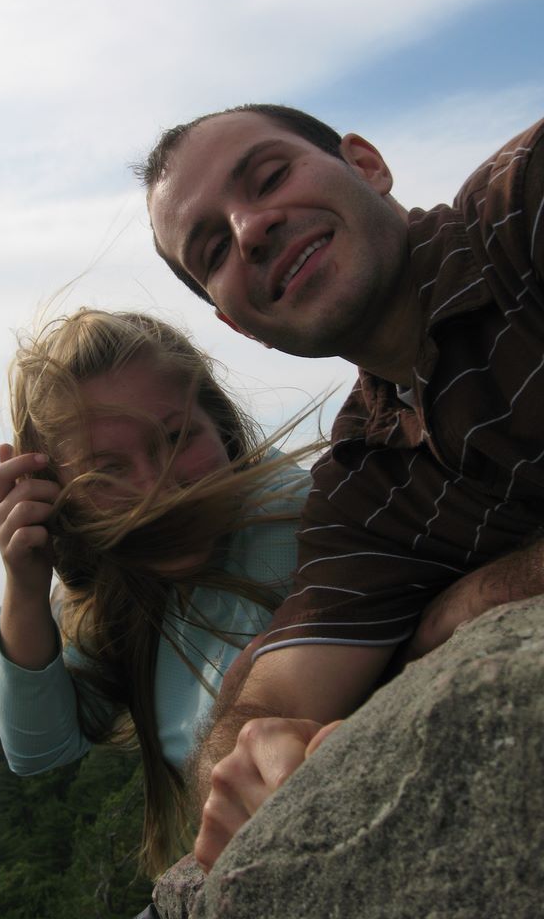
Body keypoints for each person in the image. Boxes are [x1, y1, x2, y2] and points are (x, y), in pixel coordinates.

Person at [141, 104, 544, 868]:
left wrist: (469, 603)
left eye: (270, 177)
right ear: (238, 324)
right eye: (215, 249)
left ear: (366, 164)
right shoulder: (366, 479)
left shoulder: (524, 207)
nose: (251, 229)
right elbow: (269, 701)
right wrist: (253, 761)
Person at [0, 307, 318, 875]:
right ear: (57, 495)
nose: (157, 488)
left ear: (221, 426)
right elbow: (39, 750)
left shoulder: (303, 521)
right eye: (107, 469)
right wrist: (25, 582)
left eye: (177, 436)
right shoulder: (123, 588)